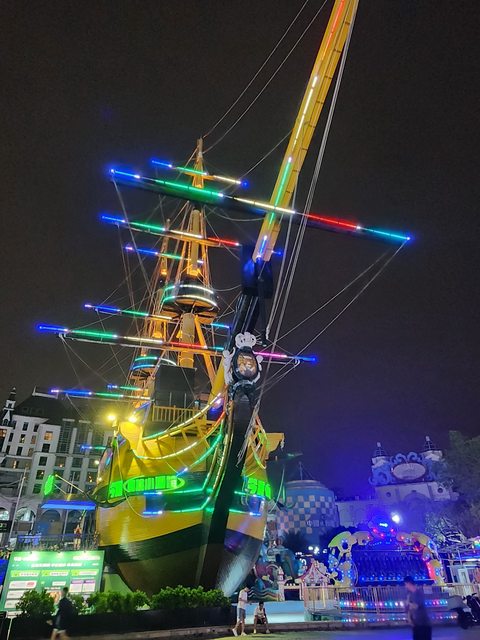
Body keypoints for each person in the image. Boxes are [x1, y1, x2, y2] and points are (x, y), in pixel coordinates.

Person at [404, 576, 432, 640]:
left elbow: (417, 606)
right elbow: (408, 609)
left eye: (405, 584)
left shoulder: (418, 593)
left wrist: (409, 603)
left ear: (409, 583)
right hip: (416, 624)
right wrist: (409, 619)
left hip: (423, 624)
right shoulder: (410, 595)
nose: (405, 586)